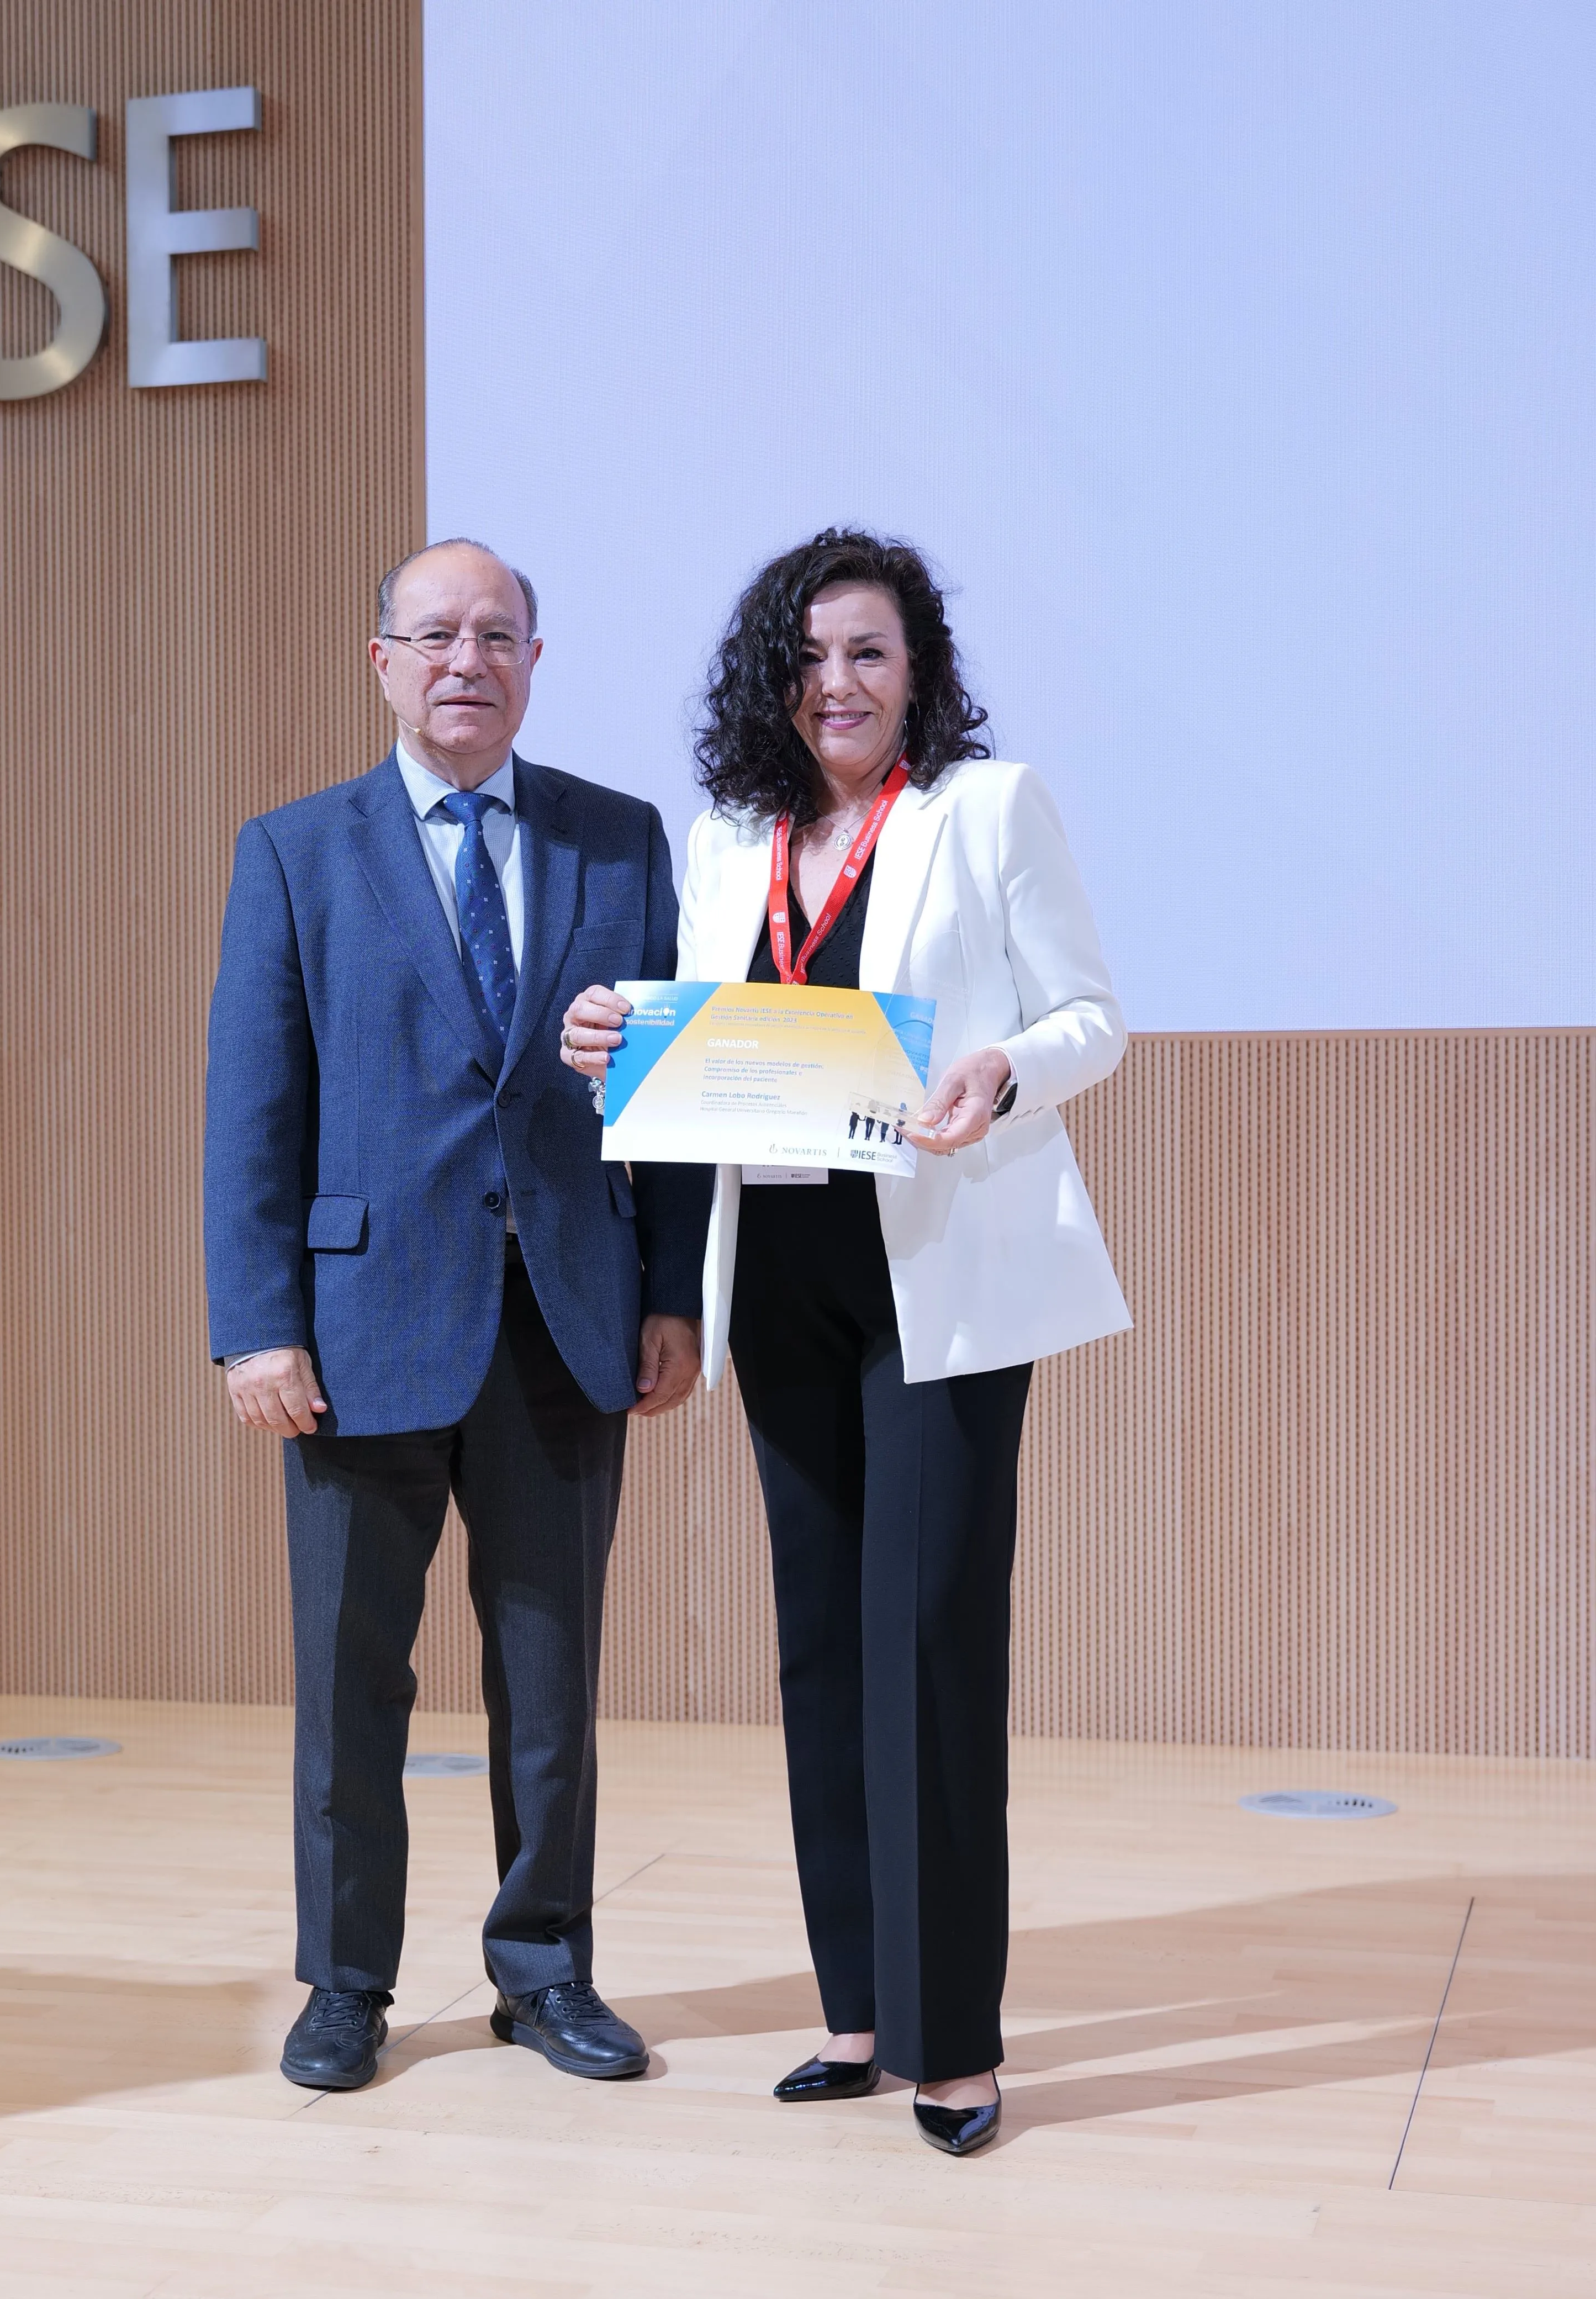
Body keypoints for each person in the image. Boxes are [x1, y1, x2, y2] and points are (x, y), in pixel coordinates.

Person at [559, 530, 1129, 2155]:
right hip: (787, 1262)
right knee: (819, 1636)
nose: (840, 685)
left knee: (930, 1633)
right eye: (811, 657)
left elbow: (1093, 1014)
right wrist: (616, 1029)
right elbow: (700, 1033)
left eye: (870, 654)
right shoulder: (729, 835)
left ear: (919, 669)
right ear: (771, 677)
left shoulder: (986, 810)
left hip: (941, 1257)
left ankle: (958, 2045)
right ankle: (861, 2011)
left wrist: (1003, 1071)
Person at [205, 537, 712, 2092]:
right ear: (381, 661)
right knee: (352, 1674)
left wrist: (674, 1291)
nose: (465, 661)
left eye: (498, 635)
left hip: (570, 1313)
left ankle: (542, 1968)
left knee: (550, 1672)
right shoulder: (297, 853)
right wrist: (255, 1326)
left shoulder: (617, 843)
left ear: (537, 664)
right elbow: (252, 1111)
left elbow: (669, 1096)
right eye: (435, 635)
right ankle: (346, 1981)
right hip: (360, 1336)